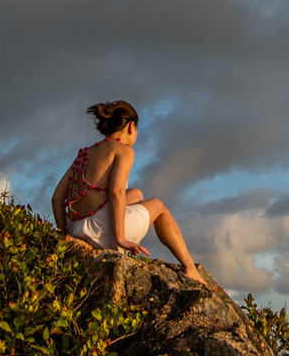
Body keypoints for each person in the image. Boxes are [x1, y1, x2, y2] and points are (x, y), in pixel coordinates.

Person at [52, 100, 218, 292]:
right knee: (158, 206)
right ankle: (190, 267)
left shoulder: (84, 153)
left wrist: (65, 235)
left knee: (137, 194)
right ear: (131, 127)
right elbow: (115, 192)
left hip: (76, 228)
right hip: (102, 233)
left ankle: (88, 231)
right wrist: (120, 238)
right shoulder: (124, 151)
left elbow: (56, 199)